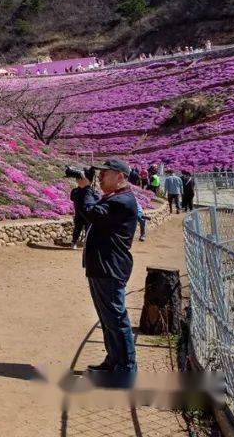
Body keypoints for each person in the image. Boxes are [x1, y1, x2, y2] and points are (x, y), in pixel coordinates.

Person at [82, 159, 139, 382]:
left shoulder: (122, 201)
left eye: (105, 173)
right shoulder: (115, 198)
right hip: (101, 267)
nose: (101, 176)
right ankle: (114, 361)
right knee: (107, 319)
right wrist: (82, 189)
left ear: (120, 177)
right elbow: (88, 209)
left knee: (116, 319)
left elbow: (92, 214)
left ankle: (125, 371)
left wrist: (86, 188)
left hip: (110, 267)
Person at [69, 172, 95, 248]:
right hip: (79, 213)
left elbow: (96, 199)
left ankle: (86, 243)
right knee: (77, 228)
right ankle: (74, 242)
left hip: (87, 213)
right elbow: (72, 198)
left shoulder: (90, 191)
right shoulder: (75, 191)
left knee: (87, 229)